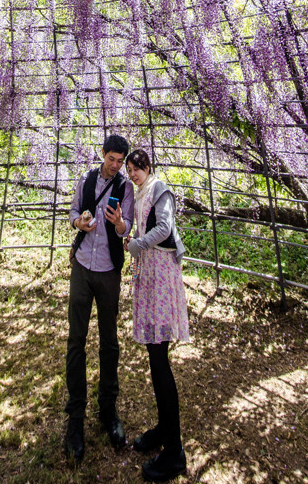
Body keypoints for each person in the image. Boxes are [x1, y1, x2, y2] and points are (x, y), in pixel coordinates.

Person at [64, 134, 135, 463]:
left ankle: (109, 410)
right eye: (112, 159)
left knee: (109, 341)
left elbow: (127, 228)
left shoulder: (126, 188)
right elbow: (73, 212)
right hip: (82, 267)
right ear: (103, 154)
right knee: (76, 340)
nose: (116, 165)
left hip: (108, 271)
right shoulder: (86, 179)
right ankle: (74, 419)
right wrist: (80, 221)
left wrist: (119, 223)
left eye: (121, 161)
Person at [126, 147, 189, 483]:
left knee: (159, 359)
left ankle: (175, 452)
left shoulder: (160, 188)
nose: (133, 174)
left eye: (137, 169)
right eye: (130, 170)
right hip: (149, 276)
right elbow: (141, 228)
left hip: (162, 276)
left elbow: (164, 228)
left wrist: (138, 244)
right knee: (155, 357)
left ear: (148, 167)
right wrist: (130, 236)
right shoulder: (140, 194)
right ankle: (164, 431)